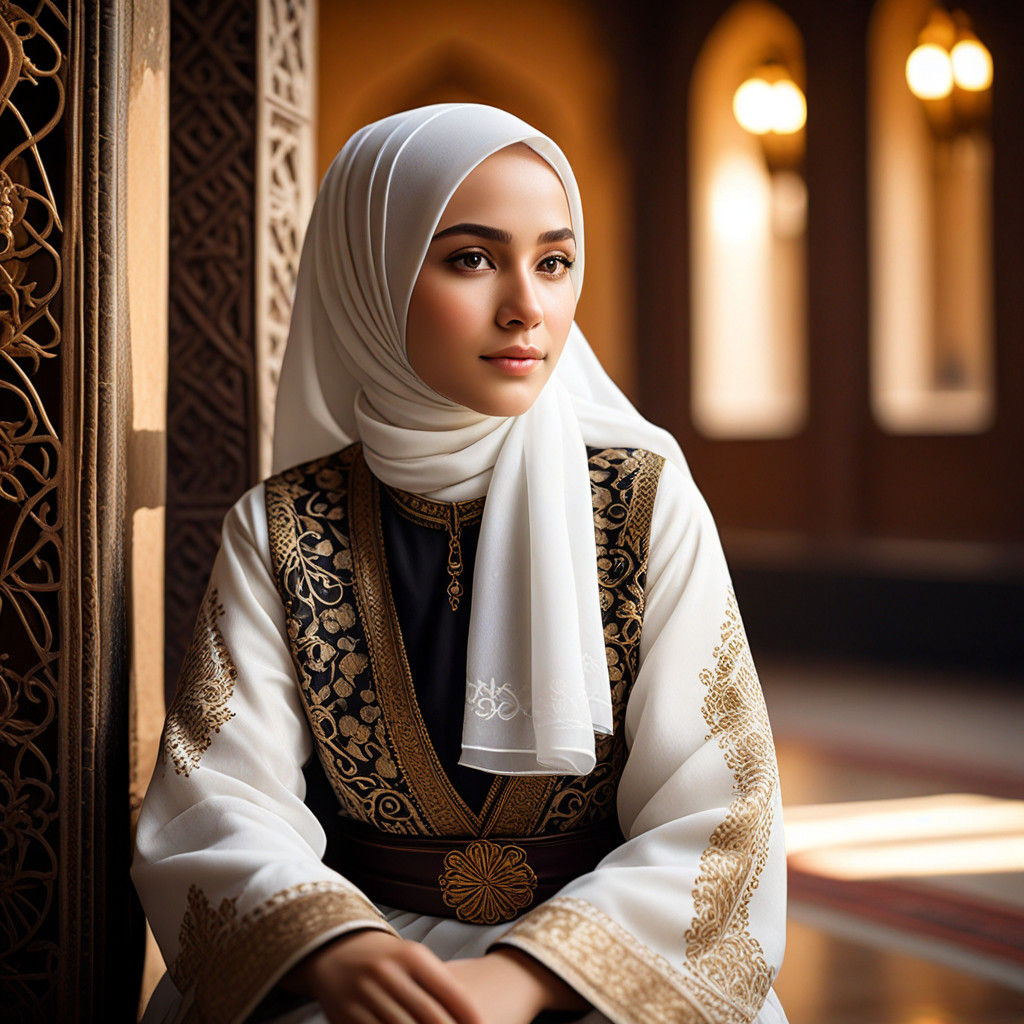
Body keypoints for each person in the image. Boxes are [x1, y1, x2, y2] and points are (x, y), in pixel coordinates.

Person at [133, 103, 788, 1024]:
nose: (527, 306)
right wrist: (334, 943)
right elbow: (217, 799)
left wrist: (525, 976)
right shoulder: (286, 526)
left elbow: (721, 814)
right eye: (472, 258)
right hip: (359, 966)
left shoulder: (646, 502)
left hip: (601, 965)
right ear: (373, 274)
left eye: (555, 262)